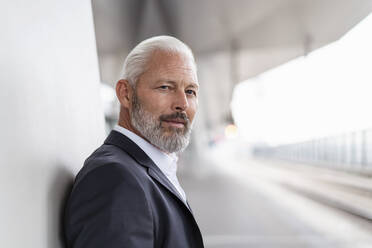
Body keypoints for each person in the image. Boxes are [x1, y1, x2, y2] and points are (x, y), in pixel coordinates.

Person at [64, 36, 204, 248]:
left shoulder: (146, 169)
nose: (182, 103)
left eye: (190, 91)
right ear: (125, 94)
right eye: (165, 87)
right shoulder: (114, 178)